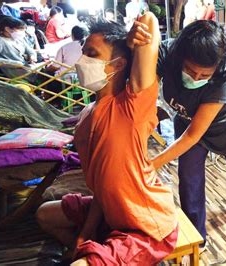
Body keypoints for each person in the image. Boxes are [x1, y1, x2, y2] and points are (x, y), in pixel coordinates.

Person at [36, 13, 178, 265]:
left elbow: (149, 21)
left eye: (92, 54)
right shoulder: (87, 114)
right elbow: (102, 190)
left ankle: (99, 255)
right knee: (46, 215)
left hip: (146, 225)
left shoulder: (131, 106)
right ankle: (96, 250)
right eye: (84, 51)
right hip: (111, 212)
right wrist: (83, 236)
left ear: (119, 64)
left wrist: (134, 38)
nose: (81, 60)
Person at [128, 19, 226, 252]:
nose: (195, 78)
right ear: (180, 57)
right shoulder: (169, 52)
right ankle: (198, 237)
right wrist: (133, 43)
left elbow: (193, 136)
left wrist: (150, 165)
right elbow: (138, 71)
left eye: (204, 74)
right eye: (190, 70)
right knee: (189, 178)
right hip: (187, 120)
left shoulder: (222, 78)